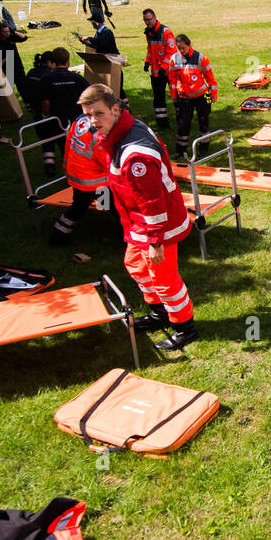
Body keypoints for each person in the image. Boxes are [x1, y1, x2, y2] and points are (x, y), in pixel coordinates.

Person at [79, 84, 198, 350]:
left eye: (98, 114)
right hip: (138, 222)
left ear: (115, 109)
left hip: (157, 226)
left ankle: (184, 327)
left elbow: (152, 202)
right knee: (135, 265)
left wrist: (155, 241)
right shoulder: (123, 129)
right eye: (88, 115)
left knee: (165, 279)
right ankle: (160, 314)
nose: (92, 121)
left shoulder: (135, 156)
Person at [49, 110, 109, 245]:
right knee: (116, 207)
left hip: (77, 176)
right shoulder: (100, 132)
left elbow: (69, 142)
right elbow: (107, 161)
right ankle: (132, 237)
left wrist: (66, 165)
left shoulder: (80, 120)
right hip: (95, 182)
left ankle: (58, 235)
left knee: (78, 206)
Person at [167, 33, 219, 158]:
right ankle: (180, 150)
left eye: (183, 48)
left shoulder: (201, 58)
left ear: (189, 45)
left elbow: (210, 79)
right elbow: (172, 80)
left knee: (203, 121)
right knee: (183, 124)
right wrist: (173, 95)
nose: (181, 51)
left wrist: (213, 94)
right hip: (184, 97)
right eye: (178, 48)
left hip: (202, 95)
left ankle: (203, 149)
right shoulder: (174, 59)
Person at [142, 9, 175, 129]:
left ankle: (182, 120)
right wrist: (147, 62)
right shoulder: (149, 33)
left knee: (175, 96)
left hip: (168, 72)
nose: (147, 22)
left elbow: (171, 52)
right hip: (156, 73)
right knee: (158, 98)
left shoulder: (165, 32)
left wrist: (163, 67)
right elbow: (150, 50)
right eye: (145, 20)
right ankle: (162, 123)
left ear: (155, 18)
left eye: (149, 19)